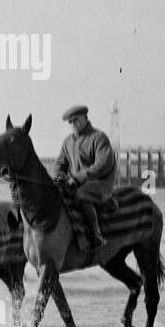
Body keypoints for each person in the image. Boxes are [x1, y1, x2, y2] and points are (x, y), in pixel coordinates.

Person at [54, 104, 116, 250]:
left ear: (86, 118)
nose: (73, 124)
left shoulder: (99, 137)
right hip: (76, 183)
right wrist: (59, 177)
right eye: (70, 122)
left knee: (81, 195)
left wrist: (81, 177)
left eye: (76, 120)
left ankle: (96, 236)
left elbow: (104, 164)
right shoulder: (68, 142)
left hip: (100, 183)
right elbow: (59, 164)